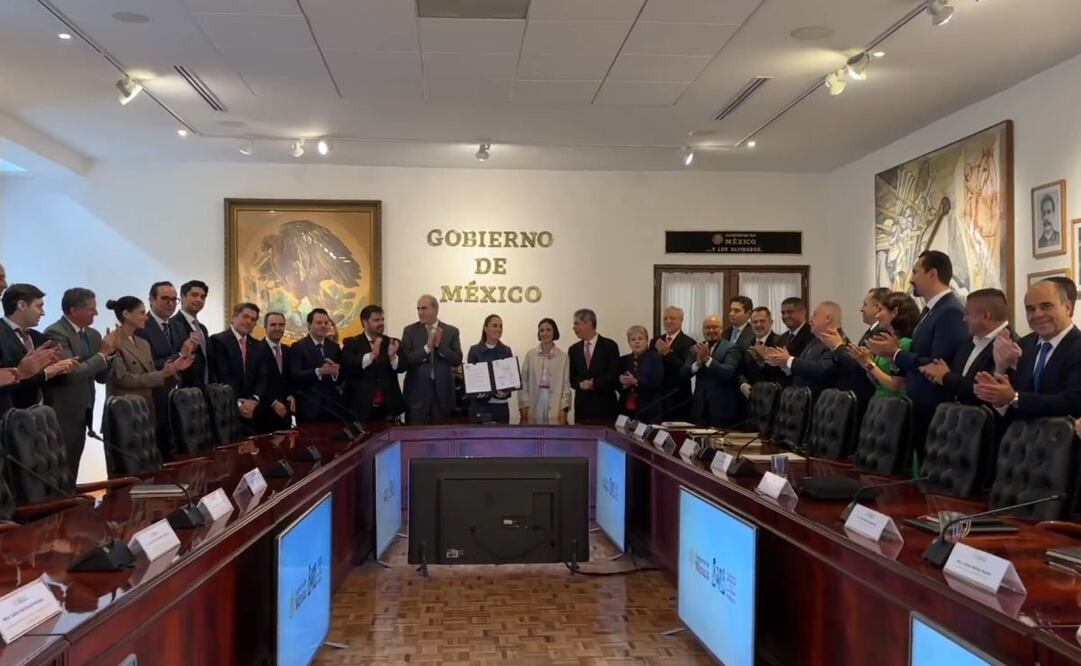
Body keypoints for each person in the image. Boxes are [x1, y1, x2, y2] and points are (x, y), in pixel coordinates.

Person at [867, 251, 967, 456]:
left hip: (933, 405)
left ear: (932, 273)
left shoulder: (949, 310)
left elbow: (936, 363)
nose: (911, 279)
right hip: (918, 403)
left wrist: (896, 354)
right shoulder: (930, 310)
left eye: (915, 272)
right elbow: (916, 354)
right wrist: (892, 359)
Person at [973, 280, 1081, 419]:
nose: (1037, 314)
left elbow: (1074, 403)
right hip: (1020, 438)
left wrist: (1015, 398)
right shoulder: (1023, 345)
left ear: (1067, 307)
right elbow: (1009, 401)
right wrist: (1000, 370)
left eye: (1046, 306)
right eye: (1030, 309)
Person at [43, 288, 117, 470]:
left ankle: (72, 496)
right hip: (63, 411)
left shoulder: (92, 334)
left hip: (85, 410)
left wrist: (111, 355)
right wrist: (102, 355)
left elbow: (100, 377)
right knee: (61, 466)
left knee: (74, 463)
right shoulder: (55, 332)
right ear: (74, 311)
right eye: (92, 309)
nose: (97, 313)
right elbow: (71, 374)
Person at [105, 296, 193, 434]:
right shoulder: (112, 341)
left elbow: (153, 379)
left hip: (147, 410)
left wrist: (173, 370)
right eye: (141, 313)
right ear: (126, 314)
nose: (146, 317)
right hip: (125, 412)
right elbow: (123, 380)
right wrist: (162, 373)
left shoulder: (143, 343)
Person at [918, 288, 1011, 405]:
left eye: (967, 313)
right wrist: (940, 374)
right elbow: (957, 375)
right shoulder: (969, 341)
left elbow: (985, 390)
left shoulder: (1011, 345)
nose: (964, 318)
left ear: (986, 316)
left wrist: (946, 377)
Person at [136, 281, 197, 453]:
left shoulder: (177, 326)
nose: (170, 303)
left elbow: (185, 360)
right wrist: (180, 354)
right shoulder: (141, 327)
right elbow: (148, 366)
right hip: (154, 398)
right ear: (151, 300)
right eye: (165, 299)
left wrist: (189, 354)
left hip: (176, 398)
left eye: (173, 299)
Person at [0, 284, 78, 409]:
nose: (43, 313)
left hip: (42, 419)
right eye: (39, 306)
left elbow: (47, 383)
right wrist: (46, 372)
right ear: (22, 305)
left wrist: (61, 370)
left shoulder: (40, 338)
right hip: (10, 419)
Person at [761, 301, 844, 401]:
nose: (810, 319)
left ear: (828, 318)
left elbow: (822, 370)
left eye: (815, 315)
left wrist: (789, 360)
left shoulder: (838, 343)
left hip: (821, 404)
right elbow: (801, 369)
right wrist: (783, 364)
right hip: (802, 401)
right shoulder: (815, 340)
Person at [843, 292, 919, 397]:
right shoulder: (889, 342)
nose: (877, 315)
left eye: (881, 310)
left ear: (894, 312)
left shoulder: (905, 344)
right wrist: (863, 360)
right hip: (880, 402)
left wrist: (869, 362)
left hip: (894, 406)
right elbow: (877, 383)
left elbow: (894, 385)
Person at [400, 295, 462, 424]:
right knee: (415, 439)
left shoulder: (451, 331)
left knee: (441, 439)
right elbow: (406, 360)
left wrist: (440, 346)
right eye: (418, 309)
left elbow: (456, 360)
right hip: (417, 394)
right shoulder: (410, 331)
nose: (420, 312)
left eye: (424, 308)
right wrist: (426, 349)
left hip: (442, 395)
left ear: (435, 309)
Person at [208, 303, 268, 432]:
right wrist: (239, 404)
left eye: (253, 319)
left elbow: (262, 377)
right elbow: (221, 375)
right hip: (226, 408)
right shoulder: (218, 340)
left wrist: (254, 400)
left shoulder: (258, 346)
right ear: (234, 317)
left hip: (253, 411)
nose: (249, 321)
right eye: (245, 316)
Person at [341, 305, 404, 423]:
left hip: (388, 409)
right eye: (376, 320)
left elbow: (402, 367)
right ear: (364, 322)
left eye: (382, 319)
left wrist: (392, 357)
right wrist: (371, 356)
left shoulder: (392, 342)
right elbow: (348, 366)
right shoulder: (351, 343)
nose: (381, 323)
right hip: (361, 409)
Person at [680, 315, 742, 427]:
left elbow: (728, 372)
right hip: (699, 408)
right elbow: (684, 374)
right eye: (707, 328)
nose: (711, 330)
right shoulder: (696, 349)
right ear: (703, 330)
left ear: (721, 329)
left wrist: (707, 359)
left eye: (715, 327)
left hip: (722, 409)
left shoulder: (731, 348)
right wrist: (698, 364)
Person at [288, 308, 343, 424]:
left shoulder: (334, 347)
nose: (323, 326)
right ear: (309, 325)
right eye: (319, 323)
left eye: (326, 323)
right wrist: (319, 371)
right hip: (308, 407)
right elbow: (295, 375)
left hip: (332, 408)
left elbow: (340, 379)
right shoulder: (298, 346)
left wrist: (335, 373)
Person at [567, 309, 620, 422]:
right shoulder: (573, 349)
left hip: (605, 409)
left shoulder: (609, 346)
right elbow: (571, 377)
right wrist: (580, 385)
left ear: (589, 323)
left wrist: (594, 383)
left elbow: (613, 374)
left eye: (576, 323)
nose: (573, 328)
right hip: (582, 410)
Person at [519, 318, 571, 425]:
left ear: (554, 332)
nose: (545, 333)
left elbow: (566, 384)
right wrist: (524, 404)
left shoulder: (563, 356)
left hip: (554, 398)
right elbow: (523, 381)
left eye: (548, 330)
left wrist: (564, 407)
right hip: (535, 397)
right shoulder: (530, 354)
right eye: (542, 330)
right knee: (534, 431)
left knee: (553, 432)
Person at [466, 314, 515, 423]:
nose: (498, 329)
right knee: (479, 439)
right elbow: (471, 381)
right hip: (479, 406)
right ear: (485, 328)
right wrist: (479, 390)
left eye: (500, 326)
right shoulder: (474, 351)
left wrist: (506, 391)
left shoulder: (506, 351)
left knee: (501, 439)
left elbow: (510, 379)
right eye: (494, 326)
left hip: (500, 406)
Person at [650, 306, 695, 421]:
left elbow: (686, 370)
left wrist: (668, 353)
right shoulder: (656, 341)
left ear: (681, 320)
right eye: (665, 318)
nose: (668, 321)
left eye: (672, 318)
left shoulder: (689, 342)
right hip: (657, 398)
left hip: (678, 398)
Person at [255, 311, 295, 432]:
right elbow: (255, 381)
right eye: (273, 325)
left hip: (285, 416)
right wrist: (273, 402)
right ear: (265, 327)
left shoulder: (287, 350)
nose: (277, 328)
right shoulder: (256, 349)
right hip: (263, 414)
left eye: (281, 325)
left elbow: (288, 378)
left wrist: (291, 394)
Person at [169, 280, 210, 388]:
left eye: (203, 297)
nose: (199, 300)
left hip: (203, 389)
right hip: (183, 390)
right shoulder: (172, 324)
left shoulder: (202, 328)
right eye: (194, 295)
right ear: (183, 296)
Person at [619, 325, 663, 423]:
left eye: (640, 338)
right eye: (633, 339)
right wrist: (621, 381)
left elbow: (657, 382)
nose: (637, 342)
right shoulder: (623, 360)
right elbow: (615, 383)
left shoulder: (655, 359)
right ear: (629, 343)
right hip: (626, 410)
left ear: (646, 341)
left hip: (648, 409)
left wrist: (635, 381)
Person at [739, 306, 784, 398]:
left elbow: (783, 373)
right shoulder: (745, 344)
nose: (758, 324)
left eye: (762, 321)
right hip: (750, 399)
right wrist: (743, 384)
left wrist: (764, 359)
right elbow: (740, 370)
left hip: (772, 398)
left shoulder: (781, 342)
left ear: (771, 322)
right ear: (750, 324)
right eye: (755, 322)